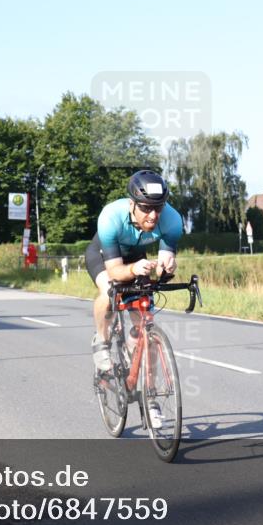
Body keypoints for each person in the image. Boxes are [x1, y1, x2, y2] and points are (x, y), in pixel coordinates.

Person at [84, 170, 183, 427]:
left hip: (137, 256)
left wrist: (166, 267)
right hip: (105, 256)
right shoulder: (110, 217)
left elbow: (165, 259)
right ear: (132, 204)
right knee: (109, 290)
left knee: (145, 325)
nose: (153, 215)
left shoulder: (172, 220)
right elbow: (116, 271)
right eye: (146, 208)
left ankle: (150, 399)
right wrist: (133, 269)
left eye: (158, 208)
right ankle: (101, 341)